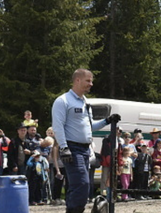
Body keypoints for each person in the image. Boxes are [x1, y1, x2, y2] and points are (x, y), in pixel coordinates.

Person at [51, 69, 121, 213]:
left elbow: (90, 126)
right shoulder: (63, 101)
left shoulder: (85, 102)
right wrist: (64, 148)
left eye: (91, 80)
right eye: (88, 80)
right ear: (77, 80)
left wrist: (107, 120)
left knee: (78, 186)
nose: (91, 84)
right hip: (72, 148)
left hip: (84, 150)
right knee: (82, 185)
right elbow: (57, 126)